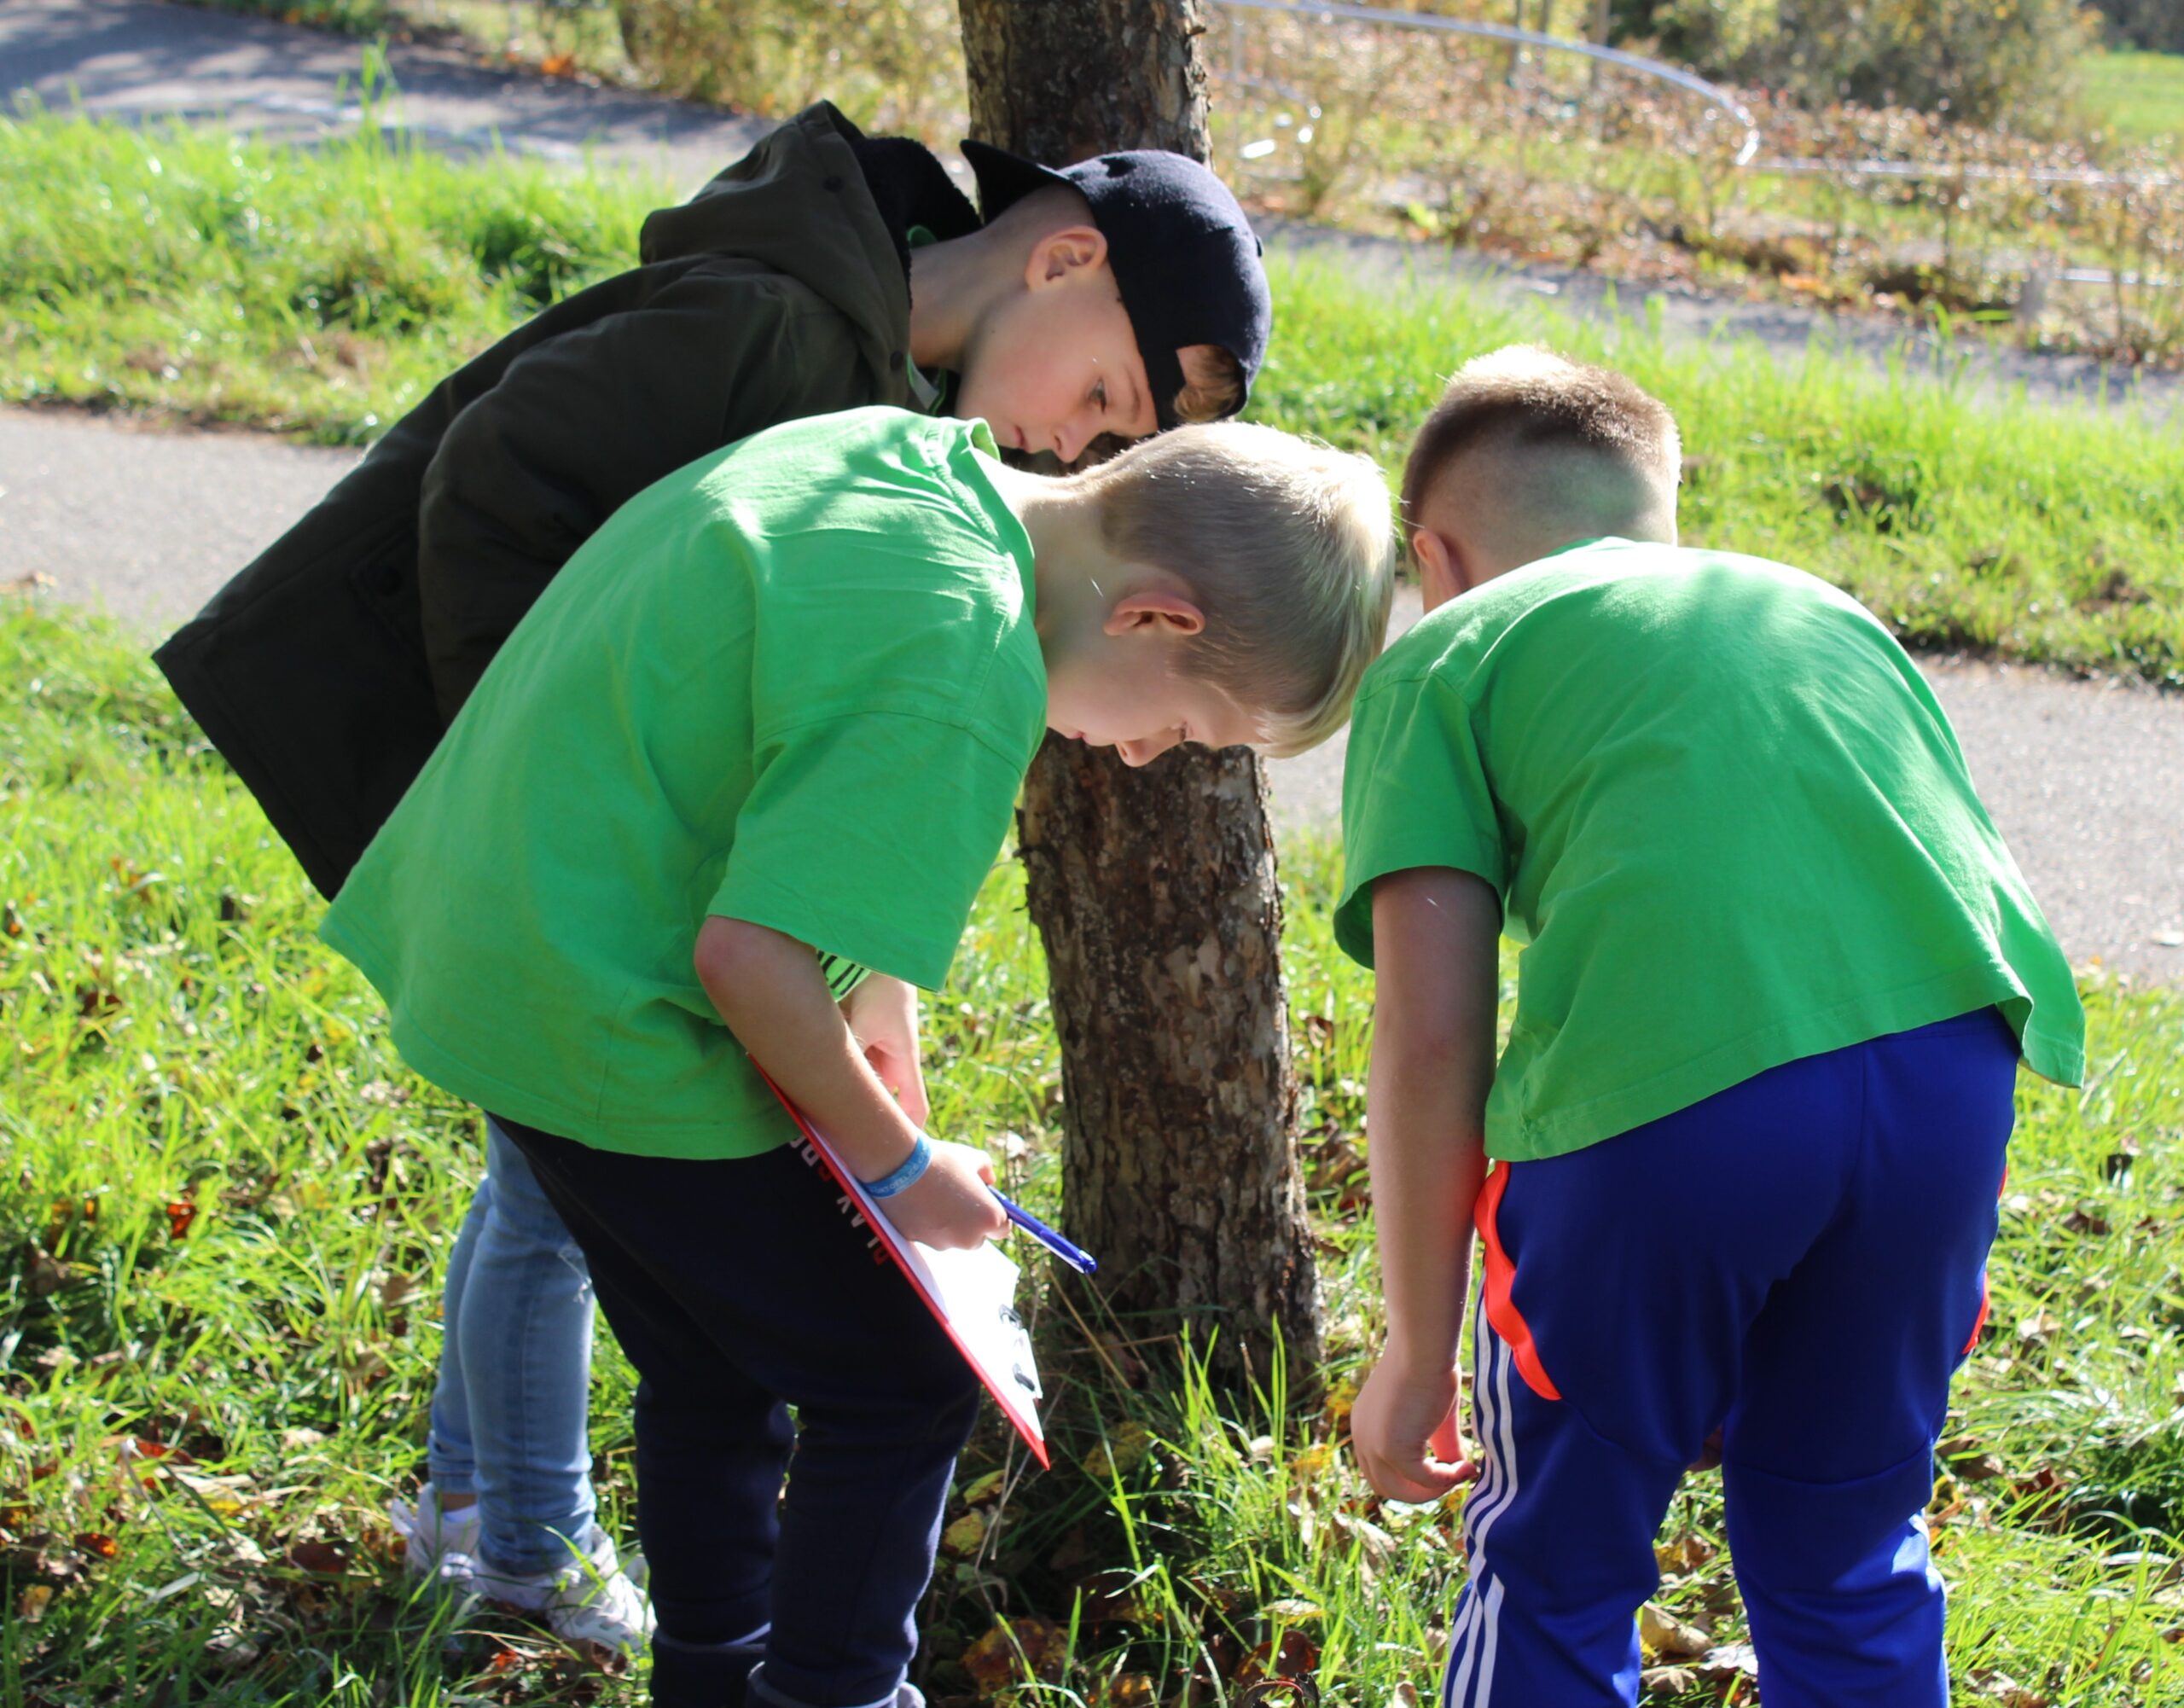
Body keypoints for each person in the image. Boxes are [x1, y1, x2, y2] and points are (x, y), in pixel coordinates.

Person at [151, 102, 1272, 1645]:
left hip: (574, 848)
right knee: (555, 1190)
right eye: (1102, 393)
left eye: (1109, 438)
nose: (1076, 440)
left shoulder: (881, 373)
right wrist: (554, 779)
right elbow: (495, 478)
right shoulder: (785, 332)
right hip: (469, 767)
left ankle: (492, 1504)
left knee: (564, 1197)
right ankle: (514, 1523)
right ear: (1064, 258)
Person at [316, 402, 1395, 1706]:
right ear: (1154, 617)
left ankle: (711, 1667)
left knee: (711, 1357)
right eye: (1191, 726)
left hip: (511, 939)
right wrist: (897, 1167)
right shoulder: (964, 667)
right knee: (901, 1379)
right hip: (616, 1014)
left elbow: (793, 791)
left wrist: (881, 1029)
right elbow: (748, 962)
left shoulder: (905, 460)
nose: (1150, 751)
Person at [1335, 346, 2084, 1708]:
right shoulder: (1824, 608)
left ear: (1433, 559)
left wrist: (1414, 1347)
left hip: (1663, 1101)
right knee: (1847, 1543)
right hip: (1949, 1086)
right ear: (1660, 517)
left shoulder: (1450, 651)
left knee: (1555, 1562)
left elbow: (1433, 1038)